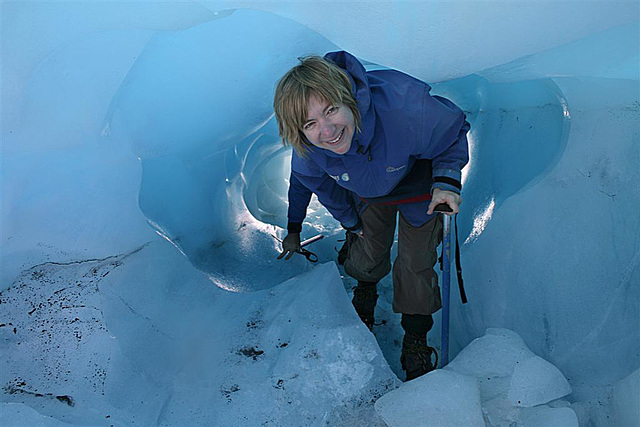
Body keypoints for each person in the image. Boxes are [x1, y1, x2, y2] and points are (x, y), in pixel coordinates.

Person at [273, 51, 469, 381]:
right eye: (310, 123)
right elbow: (316, 184)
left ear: (348, 98)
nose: (327, 130)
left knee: (416, 259)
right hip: (368, 189)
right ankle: (365, 288)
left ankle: (416, 335)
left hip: (418, 185)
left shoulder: (407, 109)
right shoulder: (309, 151)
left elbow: (452, 131)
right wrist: (349, 220)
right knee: (368, 242)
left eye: (331, 110)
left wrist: (447, 179)